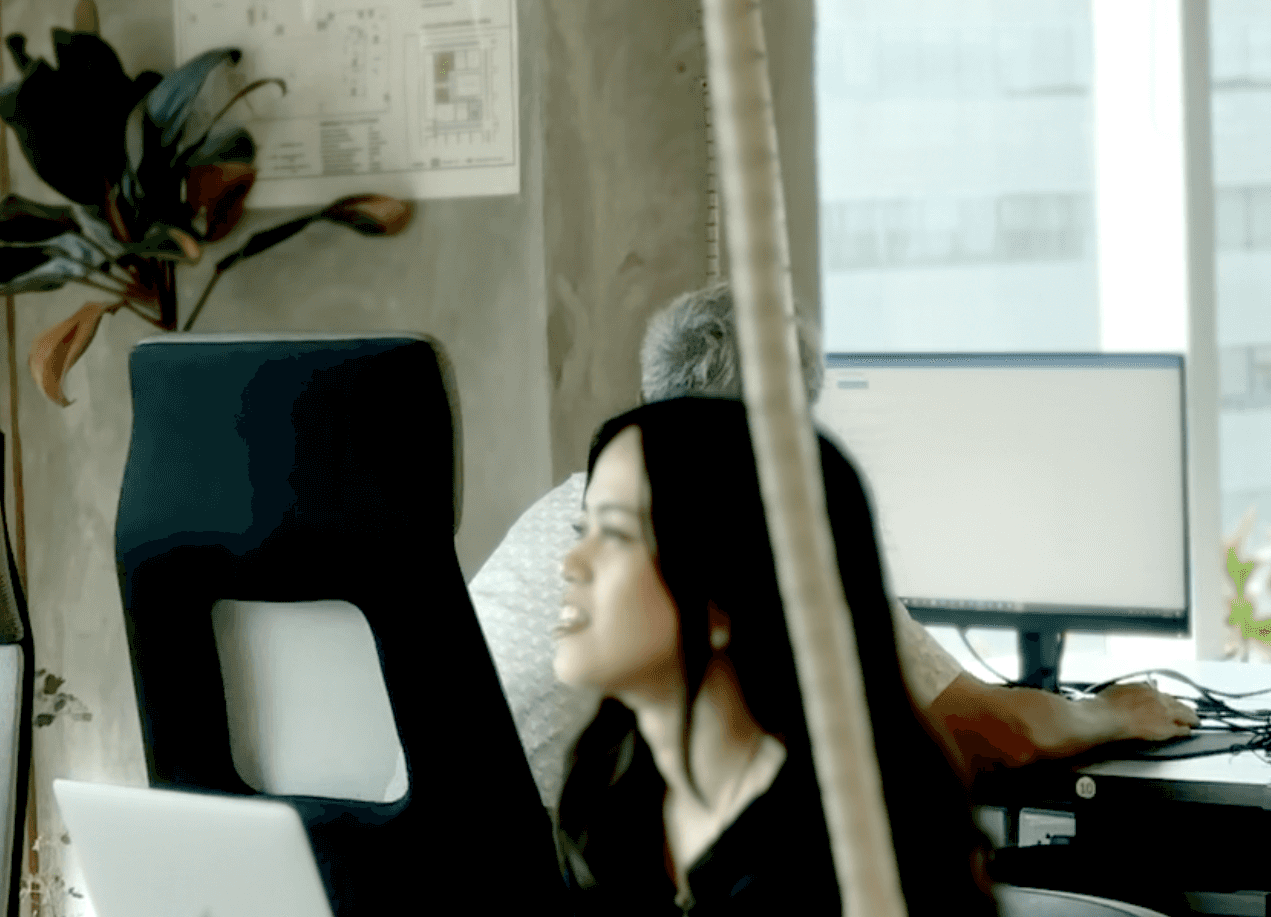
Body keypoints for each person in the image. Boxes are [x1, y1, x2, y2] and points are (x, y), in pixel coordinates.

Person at [372, 398, 1019, 917]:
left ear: (722, 594)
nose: (572, 562)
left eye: (615, 535)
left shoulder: (831, 839)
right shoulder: (616, 784)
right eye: (580, 527)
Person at [471, 284, 1192, 808]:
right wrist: (1112, 712)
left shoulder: (573, 503)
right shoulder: (755, 531)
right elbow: (979, 736)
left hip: (433, 895)